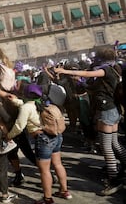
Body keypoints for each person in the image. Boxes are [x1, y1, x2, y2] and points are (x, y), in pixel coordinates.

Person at [54, 47, 126, 196]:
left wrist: (65, 71)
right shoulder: (115, 69)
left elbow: (87, 73)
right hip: (113, 109)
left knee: (106, 147)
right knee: (114, 143)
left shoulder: (106, 70)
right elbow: (95, 86)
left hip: (107, 110)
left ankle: (114, 180)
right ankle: (123, 168)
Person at [6, 84, 71, 204]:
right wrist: (15, 101)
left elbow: (19, 126)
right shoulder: (43, 102)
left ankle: (48, 200)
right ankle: (64, 191)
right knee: (58, 164)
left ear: (26, 94)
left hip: (43, 139)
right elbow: (26, 105)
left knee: (44, 171)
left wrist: (8, 136)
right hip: (56, 136)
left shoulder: (26, 107)